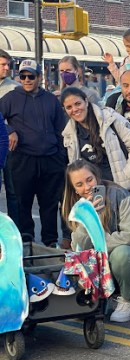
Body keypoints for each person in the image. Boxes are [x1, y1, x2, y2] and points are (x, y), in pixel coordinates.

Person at [62, 160, 130, 322]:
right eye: (79, 184)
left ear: (97, 177)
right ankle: (98, 297)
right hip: (98, 260)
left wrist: (100, 245)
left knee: (122, 254)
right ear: (74, 189)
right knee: (78, 259)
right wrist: (88, 217)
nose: (87, 187)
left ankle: (127, 300)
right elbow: (78, 247)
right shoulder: (76, 205)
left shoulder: (119, 194)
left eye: (89, 180)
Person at [0, 59, 68, 247]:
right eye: (23, 76)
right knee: (22, 202)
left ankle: (50, 242)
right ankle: (26, 240)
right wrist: (9, 129)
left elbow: (61, 129)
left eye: (31, 76)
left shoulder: (51, 100)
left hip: (50, 159)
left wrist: (60, 155)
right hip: (23, 158)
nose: (27, 80)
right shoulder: (10, 98)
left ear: (39, 77)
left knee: (49, 204)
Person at [60, 86, 130, 215]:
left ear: (86, 102)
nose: (75, 109)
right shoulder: (69, 134)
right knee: (106, 231)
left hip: (124, 188)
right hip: (96, 193)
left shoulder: (110, 118)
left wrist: (129, 175)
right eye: (69, 107)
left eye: (78, 103)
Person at [0, 49, 18, 220]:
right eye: (2, 65)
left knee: (13, 191)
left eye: (8, 65)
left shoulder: (14, 87)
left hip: (10, 147)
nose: (6, 68)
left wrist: (10, 129)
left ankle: (15, 230)